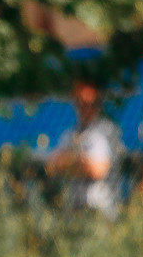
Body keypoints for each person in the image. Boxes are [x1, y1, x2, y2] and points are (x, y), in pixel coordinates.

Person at [45, 80, 123, 220]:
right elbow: (53, 165)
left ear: (97, 104)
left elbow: (98, 170)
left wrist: (69, 163)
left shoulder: (107, 131)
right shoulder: (71, 134)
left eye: (90, 103)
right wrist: (79, 163)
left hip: (102, 210)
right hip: (76, 209)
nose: (85, 108)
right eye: (80, 102)